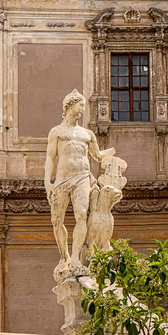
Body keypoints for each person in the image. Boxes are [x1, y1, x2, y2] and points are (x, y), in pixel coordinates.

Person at [44, 90, 109, 275]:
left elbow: (97, 156)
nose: (82, 110)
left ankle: (75, 258)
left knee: (81, 215)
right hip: (62, 179)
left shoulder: (87, 134)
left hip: (82, 177)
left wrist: (111, 154)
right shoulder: (56, 132)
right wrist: (48, 182)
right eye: (80, 105)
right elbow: (51, 158)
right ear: (70, 105)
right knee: (57, 221)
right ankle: (64, 256)